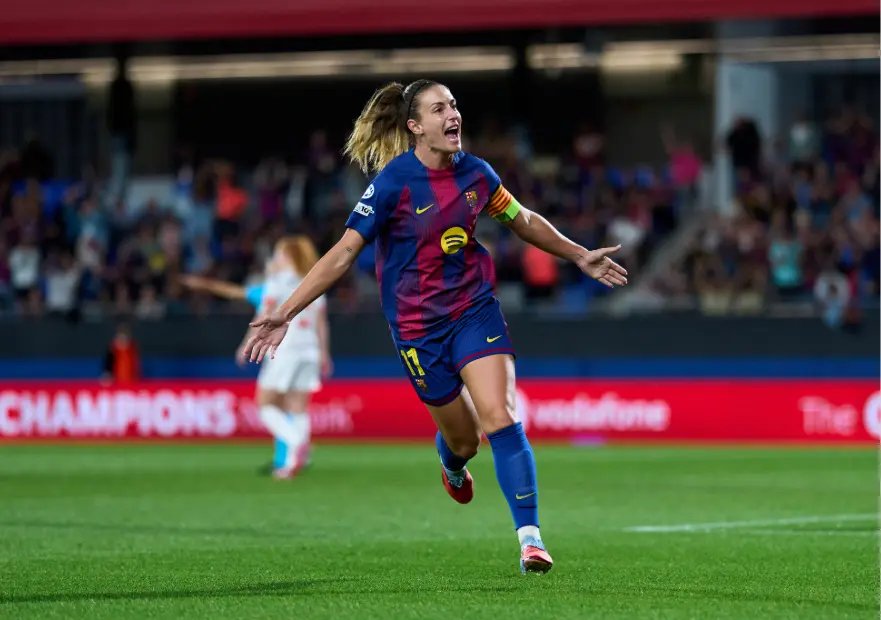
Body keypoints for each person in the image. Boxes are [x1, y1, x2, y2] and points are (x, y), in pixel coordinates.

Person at [244, 80, 628, 573]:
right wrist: (286, 311)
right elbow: (343, 253)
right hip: (417, 330)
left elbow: (522, 219)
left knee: (501, 416)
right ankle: (452, 463)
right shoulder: (393, 183)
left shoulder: (477, 174)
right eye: (439, 109)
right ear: (415, 126)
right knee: (465, 440)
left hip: (474, 309)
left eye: (454, 105)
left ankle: (530, 539)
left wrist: (578, 254)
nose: (453, 115)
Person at [181, 236, 332, 478]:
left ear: (288, 256)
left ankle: (296, 442)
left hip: (286, 349)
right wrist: (324, 354)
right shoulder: (313, 283)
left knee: (265, 404)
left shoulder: (276, 282)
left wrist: (246, 345)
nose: (274, 259)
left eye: (278, 254)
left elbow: (264, 316)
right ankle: (293, 461)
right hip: (310, 350)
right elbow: (322, 323)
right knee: (298, 406)